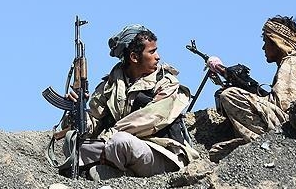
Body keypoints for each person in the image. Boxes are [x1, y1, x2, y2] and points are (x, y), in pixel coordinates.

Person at [66, 25, 199, 179]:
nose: (158, 57)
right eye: (152, 52)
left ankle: (116, 172)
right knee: (73, 143)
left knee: (120, 141)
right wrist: (77, 113)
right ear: (134, 57)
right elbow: (94, 121)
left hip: (161, 152)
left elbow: (151, 118)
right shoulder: (111, 85)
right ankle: (114, 169)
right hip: (118, 147)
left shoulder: (166, 82)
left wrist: (110, 136)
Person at [205, 15, 296, 160]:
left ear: (277, 42)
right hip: (288, 123)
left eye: (266, 42)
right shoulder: (291, 63)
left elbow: (280, 105)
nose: (263, 47)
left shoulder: (293, 63)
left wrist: (248, 94)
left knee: (230, 95)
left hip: (289, 126)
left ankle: (260, 141)